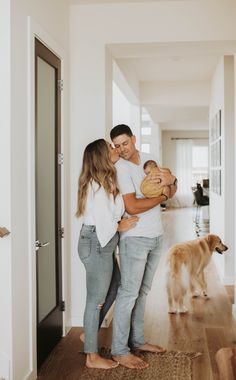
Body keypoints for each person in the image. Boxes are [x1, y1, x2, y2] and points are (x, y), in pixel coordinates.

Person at [110, 124, 177, 369]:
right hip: (135, 239)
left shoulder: (150, 160)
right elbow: (132, 207)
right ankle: (119, 350)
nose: (122, 149)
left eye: (125, 143)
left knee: (143, 292)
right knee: (128, 294)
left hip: (157, 235)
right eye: (117, 146)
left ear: (134, 140)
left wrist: (171, 181)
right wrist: (163, 196)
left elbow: (172, 185)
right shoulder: (120, 168)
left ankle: (137, 340)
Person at [76, 138, 139, 369]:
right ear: (102, 155)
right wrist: (120, 225)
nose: (115, 149)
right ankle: (91, 357)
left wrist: (118, 223)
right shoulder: (96, 185)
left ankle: (89, 334)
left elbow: (113, 214)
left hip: (103, 242)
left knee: (115, 286)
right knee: (95, 301)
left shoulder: (106, 180)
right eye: (111, 147)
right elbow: (104, 222)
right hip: (96, 242)